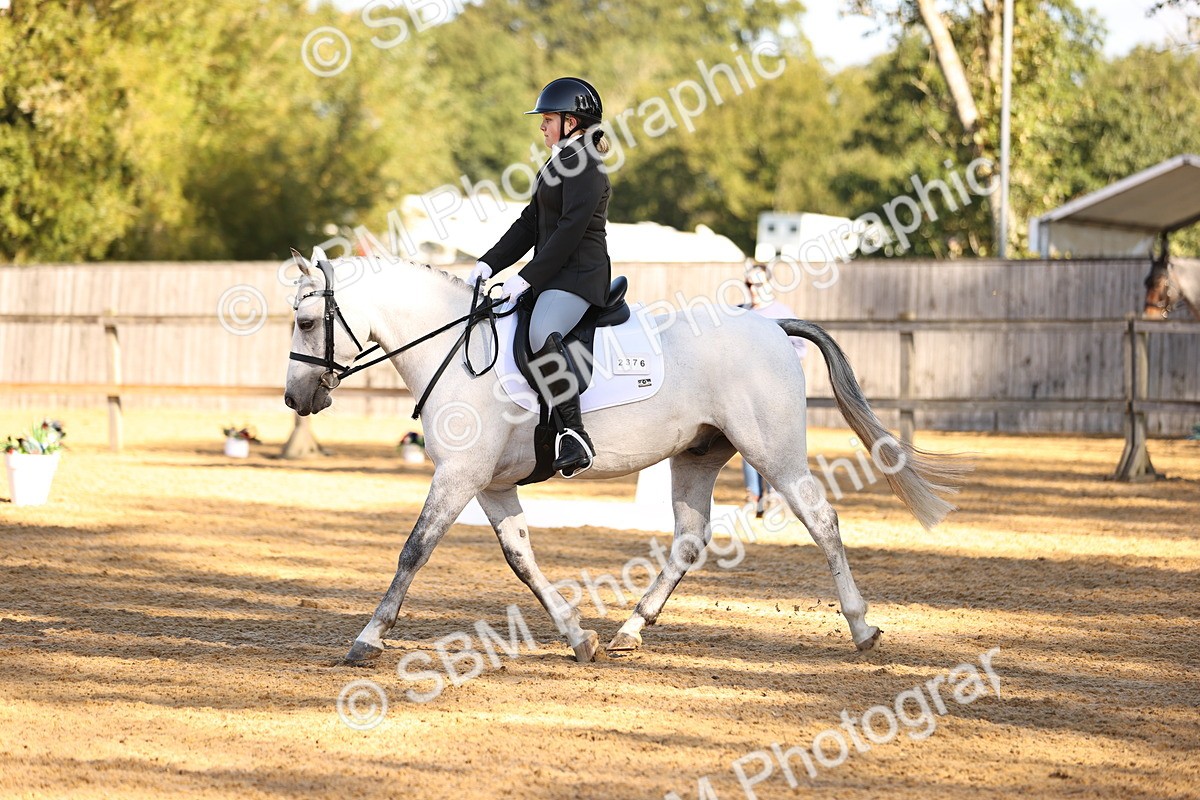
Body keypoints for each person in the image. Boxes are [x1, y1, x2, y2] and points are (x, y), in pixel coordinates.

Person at [467, 77, 612, 477]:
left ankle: (574, 434)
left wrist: (525, 278)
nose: (542, 126)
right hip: (552, 275)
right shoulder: (557, 162)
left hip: (578, 278)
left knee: (540, 332)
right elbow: (530, 223)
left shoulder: (587, 167)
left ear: (571, 122)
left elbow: (568, 233)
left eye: (548, 119)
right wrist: (489, 263)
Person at [741, 263, 806, 516]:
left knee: (773, 444)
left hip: (773, 390)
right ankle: (753, 496)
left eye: (758, 284)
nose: (753, 289)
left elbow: (800, 349)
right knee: (746, 442)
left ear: (769, 284)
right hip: (744, 392)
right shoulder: (739, 313)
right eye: (749, 284)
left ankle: (774, 497)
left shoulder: (783, 313)